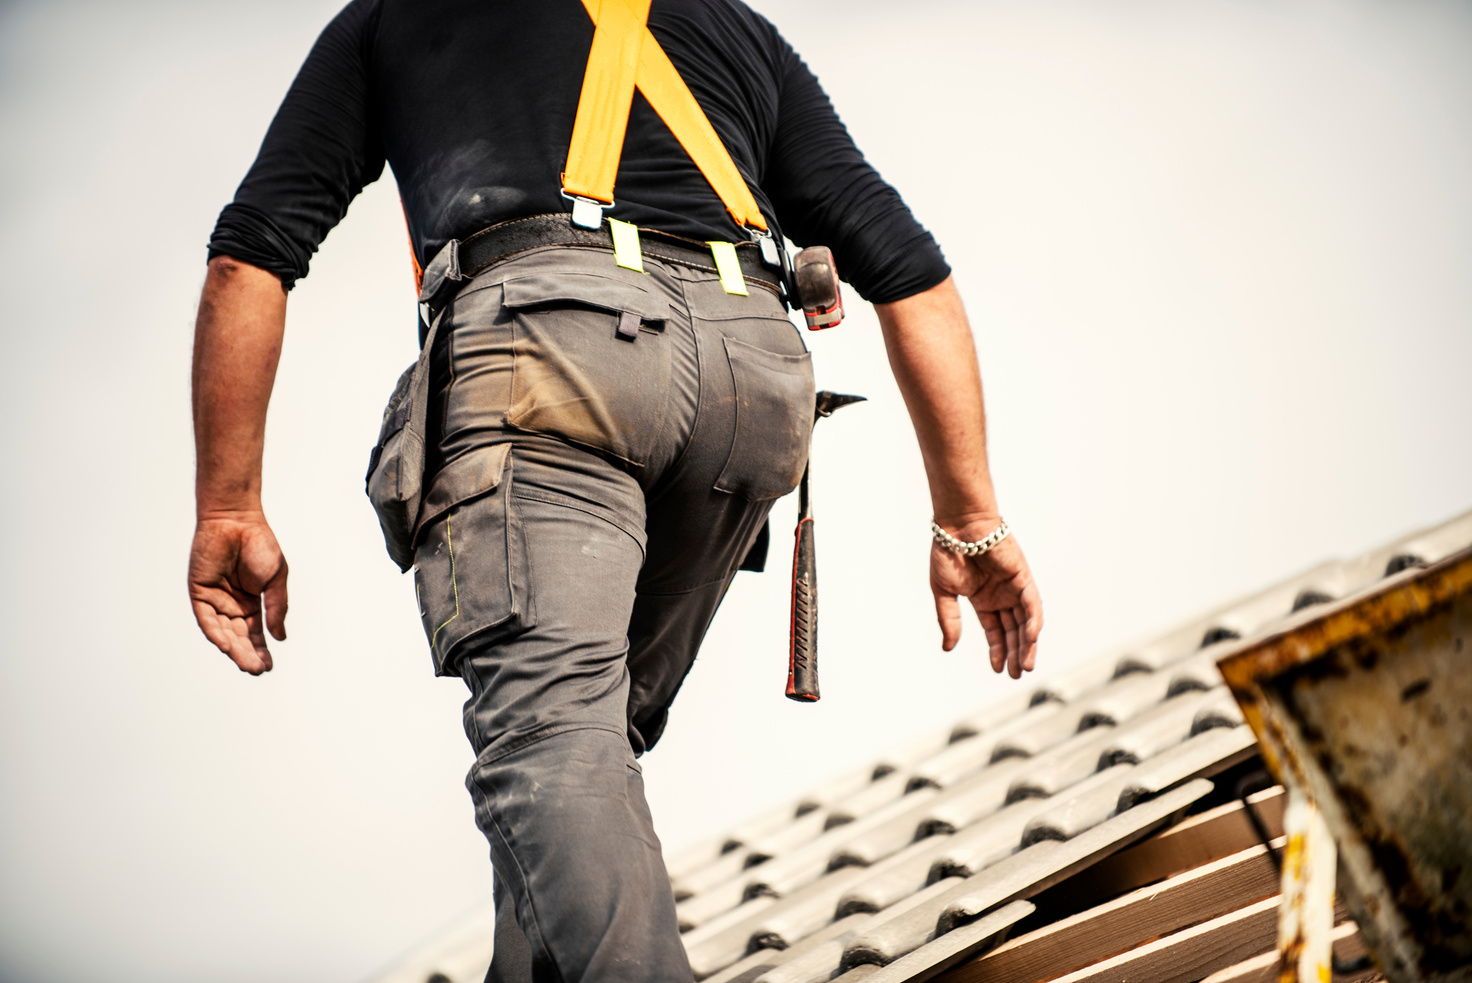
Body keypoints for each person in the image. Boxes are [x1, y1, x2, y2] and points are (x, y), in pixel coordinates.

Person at [187, 1, 1043, 979]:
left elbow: (249, 253)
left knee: (553, 733)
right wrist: (970, 521)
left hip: (551, 350)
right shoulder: (733, 30)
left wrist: (227, 506)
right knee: (581, 743)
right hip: (752, 376)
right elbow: (910, 272)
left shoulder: (391, 20)